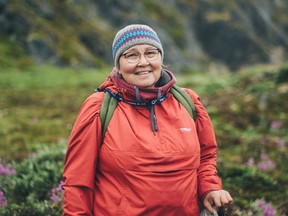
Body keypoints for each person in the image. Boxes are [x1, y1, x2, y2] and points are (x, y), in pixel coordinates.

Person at [62, 24, 233, 216]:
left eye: (151, 53)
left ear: (161, 58)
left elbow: (206, 156)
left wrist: (210, 188)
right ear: (118, 65)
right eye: (131, 55)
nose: (143, 62)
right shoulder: (98, 107)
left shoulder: (188, 101)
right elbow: (77, 181)